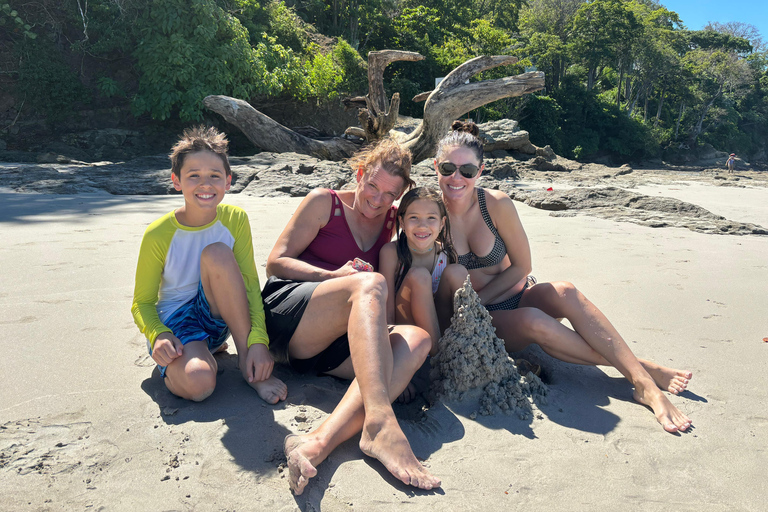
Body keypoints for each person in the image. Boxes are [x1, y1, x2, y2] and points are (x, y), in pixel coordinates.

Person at [432, 121, 694, 434]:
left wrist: (485, 297)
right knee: (533, 319)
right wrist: (474, 309)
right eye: (448, 168)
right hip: (482, 319)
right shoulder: (429, 213)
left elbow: (522, 266)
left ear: (481, 170)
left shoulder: (496, 205)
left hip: (513, 293)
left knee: (566, 290)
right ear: (435, 166)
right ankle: (642, 375)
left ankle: (639, 375)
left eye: (467, 171)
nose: (456, 178)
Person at [262, 139, 441, 494]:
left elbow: (437, 221)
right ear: (359, 173)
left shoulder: (392, 219)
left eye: (389, 194)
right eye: (372, 185)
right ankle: (381, 421)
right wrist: (332, 276)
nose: (377, 200)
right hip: (292, 317)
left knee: (417, 339)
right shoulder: (323, 202)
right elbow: (275, 264)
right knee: (370, 283)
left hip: (335, 342)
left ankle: (317, 442)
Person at [131, 126, 287, 405]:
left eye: (215, 176)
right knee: (200, 385)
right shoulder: (157, 234)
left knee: (217, 254)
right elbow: (142, 303)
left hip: (219, 313)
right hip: (175, 323)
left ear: (228, 181)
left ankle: (245, 363)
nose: (206, 184)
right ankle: (197, 358)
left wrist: (257, 343)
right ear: (176, 181)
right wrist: (158, 335)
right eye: (194, 176)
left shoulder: (235, 220)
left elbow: (250, 285)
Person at [379, 187, 465, 356]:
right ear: (402, 222)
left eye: (431, 218)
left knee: (458, 271)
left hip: (439, 327)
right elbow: (386, 311)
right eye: (414, 218)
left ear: (442, 223)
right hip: (405, 328)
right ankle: (436, 356)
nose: (422, 225)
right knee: (419, 276)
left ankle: (465, 344)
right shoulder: (391, 253)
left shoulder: (445, 254)